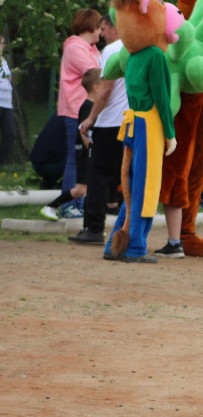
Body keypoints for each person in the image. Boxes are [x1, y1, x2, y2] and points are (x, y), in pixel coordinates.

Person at [71, 15, 130, 245]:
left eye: (104, 28)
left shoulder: (112, 50)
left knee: (97, 175)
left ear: (115, 28)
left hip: (109, 122)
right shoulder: (139, 47)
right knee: (125, 177)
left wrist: (91, 118)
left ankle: (94, 228)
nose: (102, 34)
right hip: (131, 122)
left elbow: (106, 88)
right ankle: (127, 228)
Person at [55, 9, 102, 211]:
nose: (101, 32)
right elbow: (95, 73)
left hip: (87, 109)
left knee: (84, 157)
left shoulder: (91, 48)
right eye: (99, 27)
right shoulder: (75, 47)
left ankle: (79, 202)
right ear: (90, 27)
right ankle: (67, 205)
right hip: (75, 109)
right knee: (75, 158)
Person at [40, 68, 100, 220]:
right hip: (84, 154)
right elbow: (83, 131)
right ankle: (51, 206)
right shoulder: (88, 106)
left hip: (88, 153)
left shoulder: (94, 106)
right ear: (96, 87)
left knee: (90, 188)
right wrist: (92, 151)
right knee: (80, 189)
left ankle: (90, 221)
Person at [30, 113, 68, 189]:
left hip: (35, 162)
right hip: (54, 165)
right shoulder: (77, 117)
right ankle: (66, 187)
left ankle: (47, 185)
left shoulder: (60, 113)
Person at [0, 34, 14, 165]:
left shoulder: (4, 61)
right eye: (2, 43)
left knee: (10, 133)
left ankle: (2, 162)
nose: (3, 46)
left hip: (7, 102)